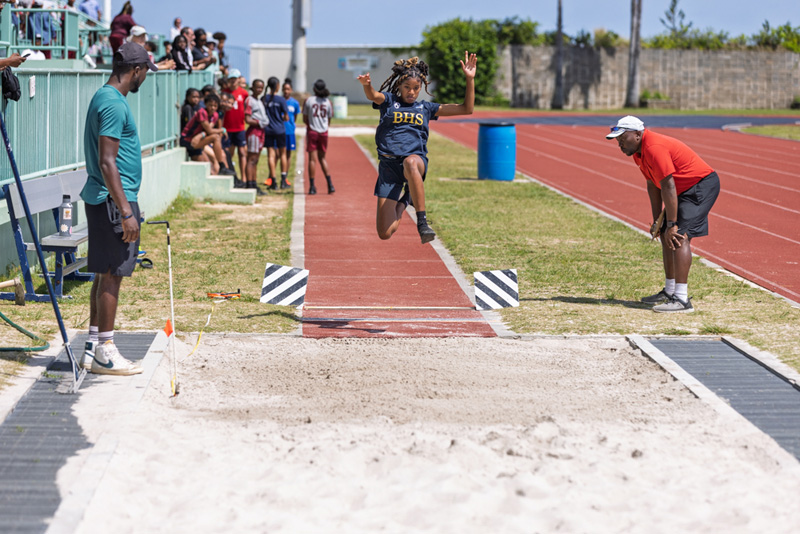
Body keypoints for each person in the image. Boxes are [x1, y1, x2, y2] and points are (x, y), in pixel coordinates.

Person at [79, 43, 157, 375]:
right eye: (145, 73)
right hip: (113, 200)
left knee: (103, 273)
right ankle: (106, 351)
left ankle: (94, 345)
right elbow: (107, 161)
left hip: (106, 198)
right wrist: (126, 211)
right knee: (113, 275)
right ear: (136, 71)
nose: (144, 79)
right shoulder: (113, 103)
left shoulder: (105, 96)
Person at [357, 52, 477, 244]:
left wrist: (469, 80)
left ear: (421, 88)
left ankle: (422, 223)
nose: (411, 92)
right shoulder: (389, 102)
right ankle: (407, 198)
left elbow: (466, 109)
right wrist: (367, 85)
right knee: (385, 233)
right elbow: (373, 95)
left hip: (416, 162)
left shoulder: (426, 108)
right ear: (399, 86)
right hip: (389, 168)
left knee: (410, 162)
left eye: (416, 88)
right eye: (407, 87)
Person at [606, 115, 721, 313]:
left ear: (638, 134)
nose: (620, 145)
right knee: (665, 234)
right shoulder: (638, 153)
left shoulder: (654, 148)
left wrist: (673, 223)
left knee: (678, 237)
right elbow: (653, 184)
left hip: (699, 186)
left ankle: (682, 300)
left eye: (623, 139)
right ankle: (669, 292)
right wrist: (657, 220)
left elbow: (668, 184)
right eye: (618, 140)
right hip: (680, 190)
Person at [179, 92, 235, 176]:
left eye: (215, 106)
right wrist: (222, 130)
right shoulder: (202, 112)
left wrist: (202, 135)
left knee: (211, 165)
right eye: (210, 105)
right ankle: (222, 167)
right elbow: (210, 130)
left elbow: (209, 129)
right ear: (205, 104)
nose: (212, 108)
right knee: (215, 138)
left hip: (198, 140)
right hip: (187, 140)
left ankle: (222, 169)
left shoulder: (215, 115)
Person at [302, 79, 335, 195]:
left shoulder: (309, 101)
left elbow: (305, 118)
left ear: (314, 89)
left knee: (312, 159)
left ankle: (312, 187)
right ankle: (330, 185)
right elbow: (329, 119)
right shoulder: (328, 102)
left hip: (312, 131)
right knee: (322, 158)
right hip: (323, 132)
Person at [261, 76, 289, 190]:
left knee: (271, 155)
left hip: (268, 129)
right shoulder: (281, 100)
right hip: (280, 130)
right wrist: (280, 118)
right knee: (282, 154)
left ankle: (273, 181)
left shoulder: (263, 99)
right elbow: (286, 117)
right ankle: (283, 180)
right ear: (277, 86)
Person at [222, 68, 249, 183]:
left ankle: (244, 177)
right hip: (227, 128)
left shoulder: (244, 93)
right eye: (231, 79)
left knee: (242, 152)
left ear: (239, 80)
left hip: (240, 127)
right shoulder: (225, 93)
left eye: (235, 79)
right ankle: (230, 175)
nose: (233, 81)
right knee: (229, 153)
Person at [244, 79, 269, 193]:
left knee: (256, 159)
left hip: (261, 132)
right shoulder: (250, 100)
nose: (259, 89)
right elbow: (248, 119)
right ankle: (250, 183)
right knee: (251, 159)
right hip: (254, 131)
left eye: (261, 88)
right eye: (257, 87)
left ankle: (254, 182)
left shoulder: (259, 101)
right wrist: (259, 122)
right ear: (252, 87)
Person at [283, 78, 301, 182]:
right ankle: (272, 177)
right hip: (280, 131)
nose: (286, 91)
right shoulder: (280, 101)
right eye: (284, 89)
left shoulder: (294, 103)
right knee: (277, 155)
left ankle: (285, 176)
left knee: (288, 154)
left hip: (290, 131)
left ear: (291, 90)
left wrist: (291, 126)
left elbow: (295, 117)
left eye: (288, 89)